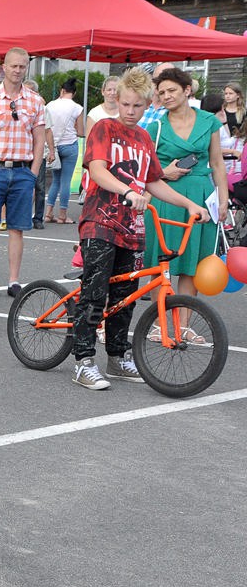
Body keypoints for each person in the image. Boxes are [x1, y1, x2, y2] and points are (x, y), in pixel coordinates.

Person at [73, 67, 209, 390]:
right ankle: (83, 361)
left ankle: (117, 358)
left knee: (125, 297)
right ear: (117, 100)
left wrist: (188, 204)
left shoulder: (145, 138)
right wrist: (126, 191)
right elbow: (97, 170)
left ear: (148, 106)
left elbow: (153, 182)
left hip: (132, 227)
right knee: (95, 292)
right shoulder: (104, 128)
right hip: (101, 222)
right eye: (126, 104)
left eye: (138, 106)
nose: (131, 112)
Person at [143, 66, 229, 305]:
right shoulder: (156, 127)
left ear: (187, 90)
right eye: (162, 92)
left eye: (172, 90)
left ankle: (184, 326)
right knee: (162, 263)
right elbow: (147, 170)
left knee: (194, 262)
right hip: (166, 198)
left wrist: (223, 200)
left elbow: (217, 164)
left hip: (201, 196)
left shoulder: (209, 121)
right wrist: (164, 172)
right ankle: (159, 325)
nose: (166, 96)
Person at [0, 47, 46, 299]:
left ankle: (14, 280)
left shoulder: (35, 101)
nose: (17, 70)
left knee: (17, 228)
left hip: (23, 170)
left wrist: (33, 172)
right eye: (13, 66)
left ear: (27, 68)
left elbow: (39, 140)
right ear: (3, 67)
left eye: (22, 66)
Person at [45, 77, 85, 224]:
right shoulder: (77, 108)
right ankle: (62, 215)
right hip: (70, 145)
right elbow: (81, 132)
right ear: (73, 93)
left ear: (62, 91)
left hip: (53, 147)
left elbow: (46, 126)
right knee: (65, 181)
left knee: (55, 181)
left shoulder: (50, 105)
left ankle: (48, 213)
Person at [24, 79, 56, 229]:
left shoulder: (43, 108)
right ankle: (23, 216)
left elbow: (48, 130)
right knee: (23, 185)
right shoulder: (18, 106)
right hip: (23, 153)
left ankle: (38, 217)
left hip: (39, 153)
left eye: (31, 91)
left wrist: (51, 150)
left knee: (40, 186)